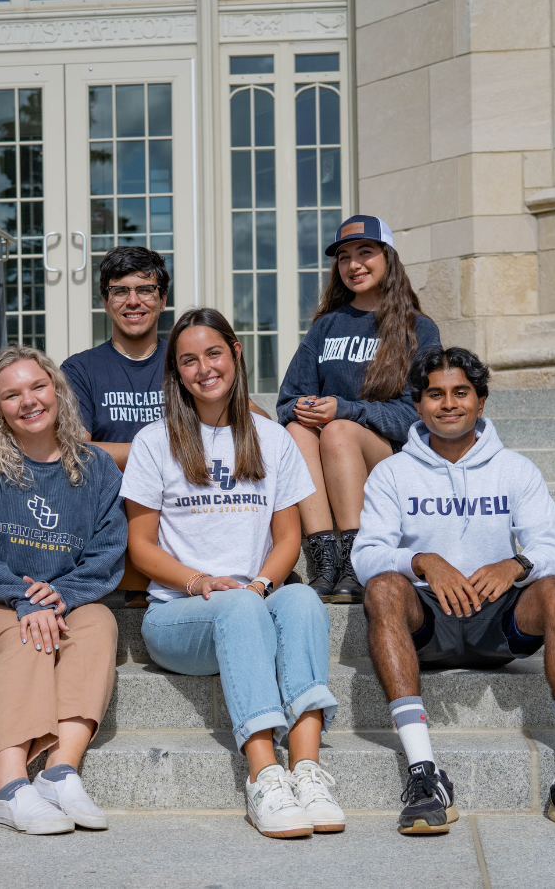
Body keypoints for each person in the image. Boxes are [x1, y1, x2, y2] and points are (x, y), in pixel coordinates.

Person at [352, 346, 555, 838]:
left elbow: (554, 551)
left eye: (460, 392)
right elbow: (365, 556)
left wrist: (514, 565)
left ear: (481, 401)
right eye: (435, 394)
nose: (448, 403)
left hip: (499, 621)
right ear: (418, 404)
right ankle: (424, 774)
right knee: (385, 587)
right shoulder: (392, 472)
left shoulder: (516, 469)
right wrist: (422, 561)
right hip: (428, 621)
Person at [120, 308, 345, 839]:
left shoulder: (271, 438)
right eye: (188, 360)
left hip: (250, 600)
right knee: (242, 605)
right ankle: (264, 775)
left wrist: (262, 583)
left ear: (236, 352)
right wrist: (200, 581)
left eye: (213, 353)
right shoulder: (156, 441)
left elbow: (289, 539)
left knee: (303, 601)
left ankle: (307, 773)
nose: (204, 369)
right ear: (176, 373)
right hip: (178, 617)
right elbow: (140, 547)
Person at [0, 344, 127, 835]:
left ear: (57, 390)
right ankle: (8, 788)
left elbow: (107, 549)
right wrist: (21, 598)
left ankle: (60, 772)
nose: (28, 401)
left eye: (38, 386)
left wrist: (64, 595)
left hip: (56, 598)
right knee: (25, 635)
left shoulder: (96, 468)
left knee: (99, 623)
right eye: (11, 395)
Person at [277, 215, 441, 604]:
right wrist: (305, 406)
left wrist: (345, 410)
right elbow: (286, 399)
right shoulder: (326, 326)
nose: (354, 265)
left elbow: (420, 416)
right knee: (298, 429)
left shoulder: (419, 328)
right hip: (334, 455)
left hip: (390, 455)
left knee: (338, 429)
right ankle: (324, 558)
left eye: (365, 253)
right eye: (344, 257)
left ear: (389, 258)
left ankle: (356, 560)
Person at [62, 246, 269, 473]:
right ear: (105, 302)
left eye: (145, 290)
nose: (133, 301)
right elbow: (77, 450)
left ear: (162, 300)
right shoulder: (80, 369)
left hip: (185, 499)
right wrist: (168, 449)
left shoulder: (187, 362)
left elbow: (259, 422)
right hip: (112, 502)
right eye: (120, 291)